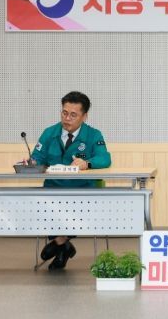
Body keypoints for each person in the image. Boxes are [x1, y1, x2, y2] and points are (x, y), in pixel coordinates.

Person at [30, 91, 111, 270]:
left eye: (73, 115)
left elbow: (105, 158)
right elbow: (37, 157)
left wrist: (87, 163)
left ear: (84, 116)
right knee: (42, 203)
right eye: (64, 113)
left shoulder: (93, 135)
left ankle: (59, 242)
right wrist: (32, 162)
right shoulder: (49, 133)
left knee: (71, 205)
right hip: (53, 190)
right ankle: (63, 246)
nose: (67, 118)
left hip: (82, 191)